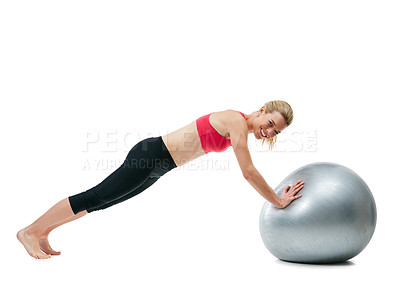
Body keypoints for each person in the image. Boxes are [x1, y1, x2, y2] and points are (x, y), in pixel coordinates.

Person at [17, 100, 304, 259]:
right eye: (270, 124)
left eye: (275, 132)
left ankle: (44, 232)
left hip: (160, 167)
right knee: (96, 195)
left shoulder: (240, 127)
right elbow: (248, 172)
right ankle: (30, 231)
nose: (268, 132)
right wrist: (278, 201)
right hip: (151, 155)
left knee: (102, 203)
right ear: (263, 109)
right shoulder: (235, 120)